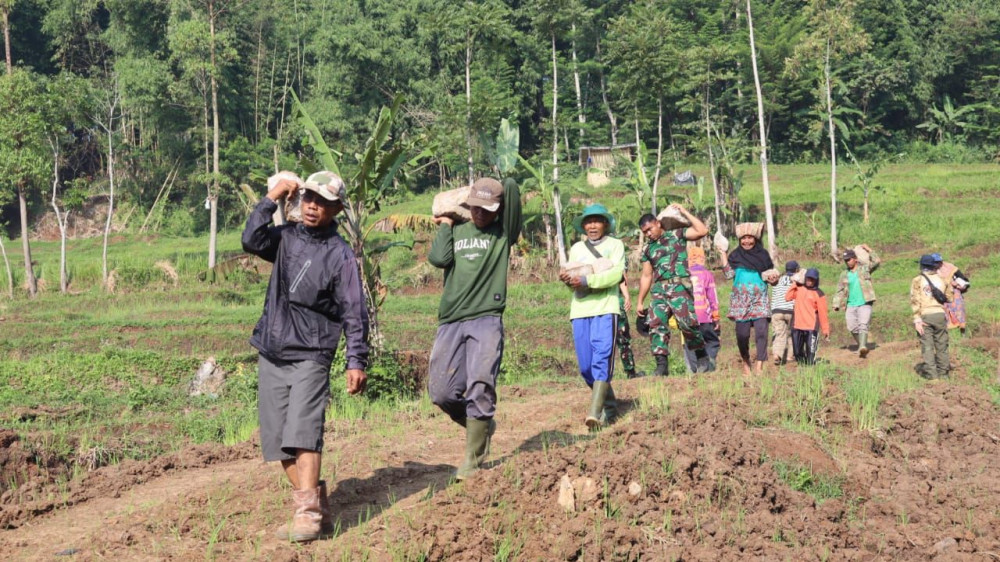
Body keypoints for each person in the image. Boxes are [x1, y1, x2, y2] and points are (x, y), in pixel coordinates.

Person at [242, 171, 369, 543]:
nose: (314, 207)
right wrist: (272, 197)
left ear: (336, 209)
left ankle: (308, 516)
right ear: (300, 200)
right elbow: (251, 239)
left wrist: (355, 360)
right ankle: (317, 507)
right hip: (273, 349)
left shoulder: (340, 255)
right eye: (309, 198)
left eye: (324, 203)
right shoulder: (285, 239)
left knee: (303, 434)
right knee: (278, 442)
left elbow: (353, 311)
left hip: (312, 353)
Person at [428, 177, 522, 480]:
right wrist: (445, 223)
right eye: (476, 207)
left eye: (487, 208)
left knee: (481, 383)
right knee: (441, 392)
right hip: (451, 319)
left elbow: (511, 190)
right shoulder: (458, 230)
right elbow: (438, 259)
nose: (481, 214)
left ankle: (472, 459)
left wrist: (494, 184)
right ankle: (481, 426)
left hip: (486, 318)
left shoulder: (502, 233)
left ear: (498, 209)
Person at [559, 203, 626, 429]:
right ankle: (611, 405)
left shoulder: (616, 246)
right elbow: (574, 278)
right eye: (588, 222)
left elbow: (616, 274)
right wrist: (569, 280)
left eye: (597, 221)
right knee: (586, 367)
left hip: (606, 308)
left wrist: (589, 280)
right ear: (584, 226)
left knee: (602, 360)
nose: (593, 225)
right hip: (580, 310)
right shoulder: (577, 248)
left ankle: (595, 414)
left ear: (605, 224)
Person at [635, 205, 713, 375]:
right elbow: (646, 276)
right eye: (644, 232)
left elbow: (702, 231)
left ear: (658, 223)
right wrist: (640, 301)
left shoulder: (677, 235)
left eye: (649, 229)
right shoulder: (648, 249)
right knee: (655, 323)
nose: (648, 234)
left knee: (687, 323)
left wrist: (684, 212)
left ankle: (701, 357)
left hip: (680, 286)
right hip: (659, 289)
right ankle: (661, 367)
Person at [717, 223, 774, 376]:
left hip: (759, 300)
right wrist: (723, 255)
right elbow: (729, 275)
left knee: (761, 332)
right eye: (743, 238)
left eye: (749, 238)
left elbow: (770, 276)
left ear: (755, 239)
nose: (746, 241)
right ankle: (746, 360)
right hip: (740, 303)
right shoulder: (735, 256)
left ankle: (760, 366)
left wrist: (774, 279)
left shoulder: (763, 255)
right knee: (742, 335)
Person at [910, 254, 954, 379]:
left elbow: (915, 300)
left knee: (927, 346)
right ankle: (944, 374)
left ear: (922, 265)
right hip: (940, 315)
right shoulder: (942, 279)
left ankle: (932, 375)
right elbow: (950, 298)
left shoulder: (918, 280)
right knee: (942, 345)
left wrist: (917, 319)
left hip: (925, 316)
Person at [833, 245, 880, 358]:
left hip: (865, 302)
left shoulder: (864, 268)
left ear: (855, 259)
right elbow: (839, 290)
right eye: (846, 260)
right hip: (850, 304)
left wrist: (869, 249)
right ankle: (862, 345)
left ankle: (862, 347)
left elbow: (877, 261)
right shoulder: (844, 274)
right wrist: (836, 303)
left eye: (849, 259)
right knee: (852, 327)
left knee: (863, 325)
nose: (848, 262)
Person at [681, 246, 721, 372]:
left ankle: (693, 370)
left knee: (690, 344)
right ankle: (709, 364)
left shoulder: (683, 274)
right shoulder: (707, 274)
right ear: (702, 258)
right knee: (712, 341)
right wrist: (716, 317)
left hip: (687, 317)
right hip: (704, 316)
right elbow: (712, 297)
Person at [785, 269, 830, 365]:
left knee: (810, 356)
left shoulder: (819, 293)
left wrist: (825, 329)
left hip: (811, 328)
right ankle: (803, 370)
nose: (809, 281)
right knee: (797, 353)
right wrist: (795, 283)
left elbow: (823, 313)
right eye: (808, 278)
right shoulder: (799, 288)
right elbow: (787, 297)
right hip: (797, 326)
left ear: (816, 280)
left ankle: (811, 369)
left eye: (812, 279)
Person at [770, 261, 799, 365]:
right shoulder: (796, 280)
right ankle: (790, 356)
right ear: (796, 270)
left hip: (777, 310)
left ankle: (777, 354)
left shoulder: (777, 280)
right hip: (791, 310)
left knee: (779, 333)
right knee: (792, 333)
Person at [933, 253, 969, 334]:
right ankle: (947, 333)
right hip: (940, 295)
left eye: (938, 262)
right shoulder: (932, 271)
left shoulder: (951, 268)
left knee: (959, 312)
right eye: (935, 262)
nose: (937, 264)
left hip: (954, 294)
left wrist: (958, 285)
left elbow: (965, 281)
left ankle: (962, 332)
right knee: (944, 315)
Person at [617, 271, 643, 378]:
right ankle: (630, 372)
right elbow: (622, 276)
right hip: (612, 302)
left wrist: (627, 296)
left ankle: (630, 372)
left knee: (623, 339)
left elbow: (621, 277)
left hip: (612, 301)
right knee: (623, 339)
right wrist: (626, 295)